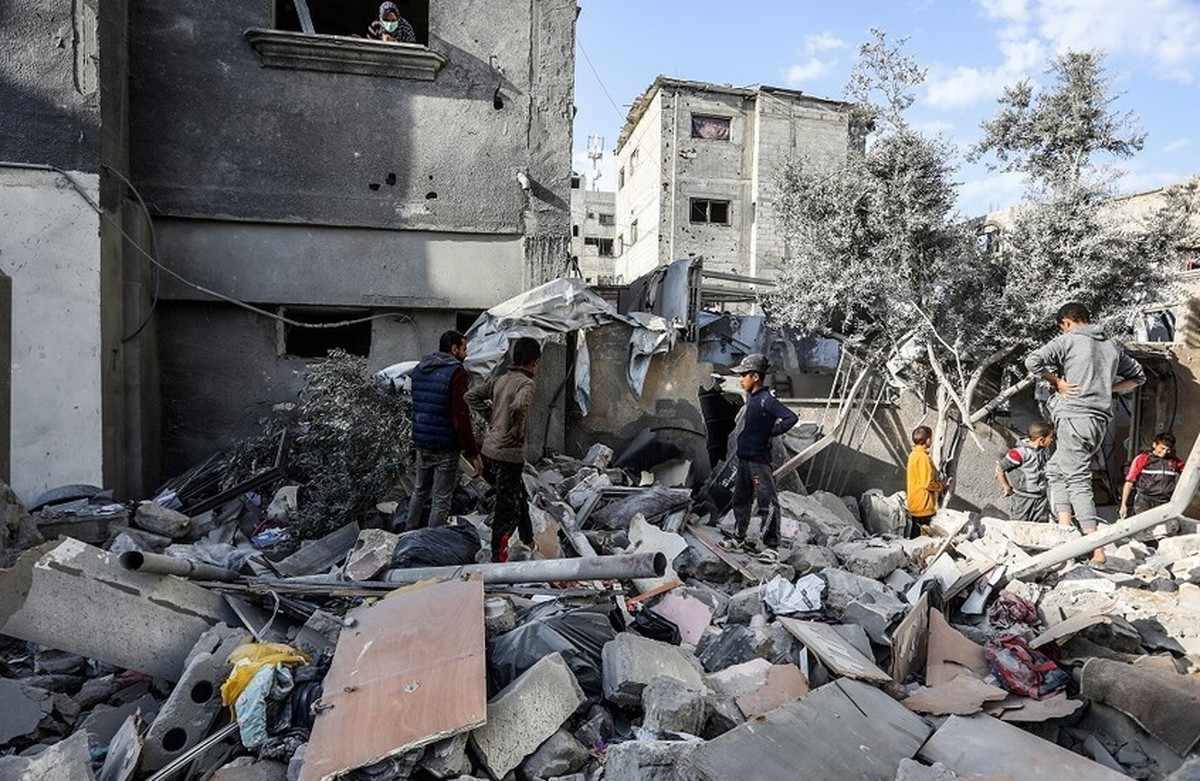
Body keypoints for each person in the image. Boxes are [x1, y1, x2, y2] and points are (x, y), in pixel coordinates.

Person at [1025, 302, 1145, 564]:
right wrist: (1108, 389)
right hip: (1098, 422)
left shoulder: (1068, 340)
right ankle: (1065, 529)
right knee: (1055, 469)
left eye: (1062, 327)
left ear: (1066, 322)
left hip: (1074, 417)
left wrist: (1057, 382)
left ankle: (1095, 548)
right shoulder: (1112, 346)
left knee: (1078, 479)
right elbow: (1138, 377)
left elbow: (1032, 361)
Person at [466, 337, 541, 562]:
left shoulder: (500, 380)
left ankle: (528, 540)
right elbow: (519, 406)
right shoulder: (526, 384)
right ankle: (498, 560)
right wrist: (516, 431)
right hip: (508, 455)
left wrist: (492, 418)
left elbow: (471, 396)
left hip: (489, 452)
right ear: (535, 362)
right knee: (506, 510)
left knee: (518, 497)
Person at [406, 330, 483, 531]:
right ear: (454, 349)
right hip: (445, 446)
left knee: (420, 491)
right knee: (441, 497)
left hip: (422, 442)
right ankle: (433, 540)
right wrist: (473, 453)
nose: (466, 353)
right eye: (464, 349)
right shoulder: (456, 373)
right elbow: (460, 418)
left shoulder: (419, 369)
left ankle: (408, 532)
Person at [725, 354, 798, 555]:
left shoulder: (767, 400)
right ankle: (738, 537)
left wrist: (772, 431)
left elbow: (791, 417)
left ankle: (771, 547)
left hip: (758, 462)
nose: (740, 379)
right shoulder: (752, 398)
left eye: (744, 375)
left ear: (755, 377)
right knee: (741, 500)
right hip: (745, 460)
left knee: (767, 502)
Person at [996, 421, 1055, 523]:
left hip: (1041, 499)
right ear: (1041, 440)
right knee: (1019, 525)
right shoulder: (1019, 453)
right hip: (1023, 499)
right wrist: (1006, 487)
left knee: (1040, 526)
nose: (1052, 440)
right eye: (1050, 437)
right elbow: (1000, 468)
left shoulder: (1043, 452)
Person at [1121, 432, 1185, 517]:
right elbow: (1129, 482)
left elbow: (1189, 471)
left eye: (1168, 450)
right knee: (1144, 524)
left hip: (1164, 502)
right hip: (1145, 502)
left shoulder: (1174, 461)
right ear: (1154, 445)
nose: (1164, 452)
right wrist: (1123, 504)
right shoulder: (1143, 459)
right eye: (1162, 448)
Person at [906, 426, 946, 536]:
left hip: (915, 503)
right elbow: (927, 483)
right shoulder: (923, 458)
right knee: (923, 539)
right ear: (928, 440)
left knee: (915, 536)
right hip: (924, 506)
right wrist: (941, 485)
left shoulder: (913, 455)